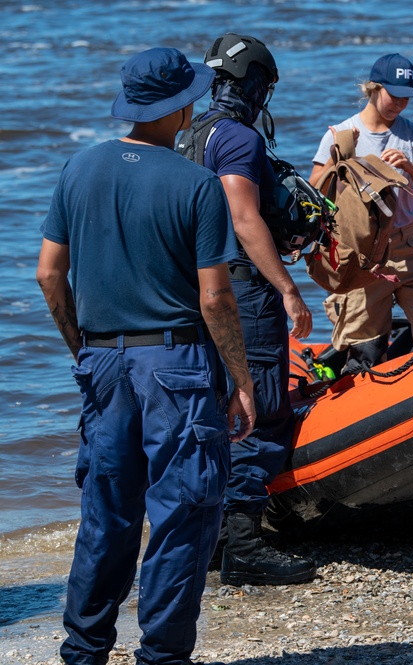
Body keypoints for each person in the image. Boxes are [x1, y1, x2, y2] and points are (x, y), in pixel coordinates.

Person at [36, 47, 256, 665]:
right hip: (176, 366)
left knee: (105, 514)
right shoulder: (197, 184)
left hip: (104, 361)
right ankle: (160, 656)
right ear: (182, 108)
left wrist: (84, 349)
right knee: (183, 516)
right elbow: (216, 299)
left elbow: (50, 275)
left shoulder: (78, 168)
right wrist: (240, 380)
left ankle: (84, 651)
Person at [186, 33, 316, 586]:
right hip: (243, 290)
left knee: (217, 406)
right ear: (256, 82)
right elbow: (244, 217)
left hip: (199, 289)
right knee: (257, 407)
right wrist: (287, 287)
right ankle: (244, 545)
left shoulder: (189, 135)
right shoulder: (239, 138)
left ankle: (213, 538)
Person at [308, 53, 413, 369]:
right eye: (395, 95)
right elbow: (314, 194)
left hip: (411, 249)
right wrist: (343, 163)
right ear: (373, 88)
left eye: (407, 97)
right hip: (362, 256)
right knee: (366, 354)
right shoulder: (342, 135)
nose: (401, 104)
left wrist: (410, 167)